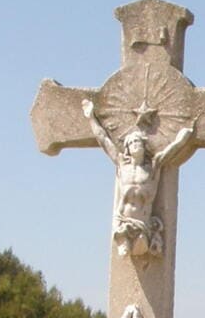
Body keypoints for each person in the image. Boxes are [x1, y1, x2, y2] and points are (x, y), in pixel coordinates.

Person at [81, 98, 197, 259]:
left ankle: (144, 239)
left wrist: (184, 137)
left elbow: (171, 150)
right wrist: (91, 117)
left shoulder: (154, 165)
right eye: (132, 142)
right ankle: (125, 240)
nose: (136, 144)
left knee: (142, 248)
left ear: (144, 146)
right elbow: (103, 139)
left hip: (144, 223)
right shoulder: (122, 164)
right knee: (124, 253)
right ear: (127, 148)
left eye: (138, 142)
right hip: (123, 220)